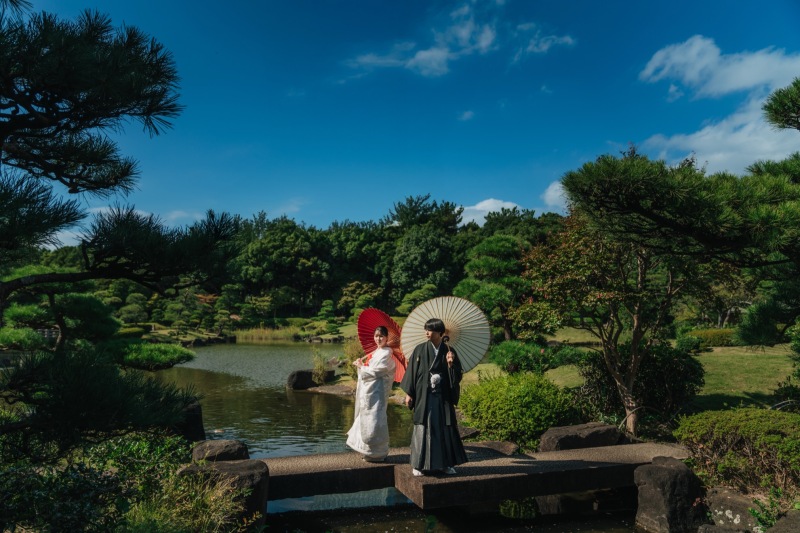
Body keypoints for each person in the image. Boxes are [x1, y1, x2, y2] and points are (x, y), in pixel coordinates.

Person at [400, 317, 467, 476]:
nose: (427, 333)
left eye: (430, 330)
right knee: (423, 427)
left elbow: (457, 376)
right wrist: (409, 393)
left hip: (442, 397)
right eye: (426, 330)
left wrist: (451, 365)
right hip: (424, 395)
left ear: (439, 333)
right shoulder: (420, 349)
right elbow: (412, 373)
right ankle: (418, 465)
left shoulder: (449, 351)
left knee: (444, 428)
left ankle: (446, 464)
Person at [346, 325, 397, 462]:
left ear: (386, 338)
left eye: (381, 336)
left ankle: (378, 453)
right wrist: (362, 364)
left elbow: (377, 372)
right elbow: (371, 369)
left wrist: (361, 367)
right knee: (366, 419)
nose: (378, 338)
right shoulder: (376, 352)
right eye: (376, 336)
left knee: (375, 420)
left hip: (377, 393)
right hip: (369, 392)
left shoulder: (386, 353)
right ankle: (368, 451)